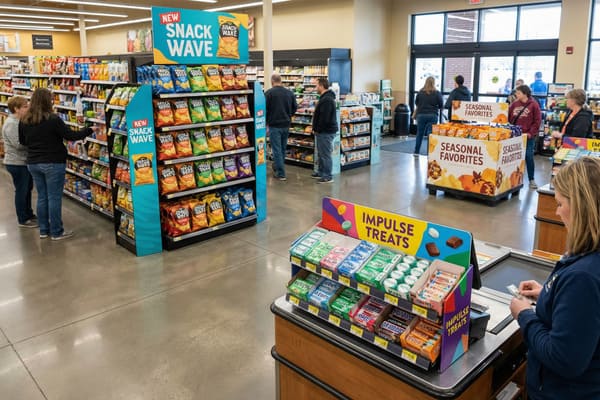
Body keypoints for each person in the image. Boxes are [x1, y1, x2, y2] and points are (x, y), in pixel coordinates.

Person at [510, 156, 600, 400]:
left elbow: (564, 358)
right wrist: (549, 294)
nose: (558, 212)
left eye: (560, 204)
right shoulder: (589, 256)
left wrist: (525, 315)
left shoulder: (583, 277)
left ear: (581, 207)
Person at [19, 88, 97, 241]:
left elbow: (23, 142)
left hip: (33, 163)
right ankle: (56, 232)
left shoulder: (24, 120)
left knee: (42, 197)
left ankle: (43, 230)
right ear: (47, 101)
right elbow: (70, 136)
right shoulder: (53, 119)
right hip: (53, 163)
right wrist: (89, 130)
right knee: (54, 198)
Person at [2, 96, 37, 228]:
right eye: (25, 107)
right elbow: (18, 145)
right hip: (16, 163)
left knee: (27, 189)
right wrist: (36, 143)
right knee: (21, 191)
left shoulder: (19, 121)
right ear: (16, 109)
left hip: (23, 161)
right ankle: (23, 219)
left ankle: (29, 214)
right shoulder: (11, 124)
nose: (27, 109)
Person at [508, 85, 542, 189]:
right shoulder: (514, 104)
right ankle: (512, 179)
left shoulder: (534, 105)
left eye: (518, 93)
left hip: (528, 136)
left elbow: (537, 121)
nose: (516, 95)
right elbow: (508, 118)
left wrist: (530, 133)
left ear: (525, 94)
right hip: (515, 136)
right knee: (513, 157)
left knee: (528, 156)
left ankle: (531, 179)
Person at [265, 73, 297, 181]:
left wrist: (267, 120)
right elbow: (294, 108)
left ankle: (281, 173)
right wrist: (288, 115)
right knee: (282, 148)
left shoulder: (268, 93)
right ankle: (279, 167)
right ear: (281, 81)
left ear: (272, 81)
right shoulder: (289, 93)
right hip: (286, 125)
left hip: (274, 125)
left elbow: (265, 109)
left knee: (276, 149)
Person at [311, 78, 338, 184]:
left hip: (325, 131)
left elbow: (325, 118)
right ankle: (321, 172)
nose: (315, 88)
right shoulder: (325, 98)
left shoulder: (326, 100)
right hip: (323, 131)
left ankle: (327, 176)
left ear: (322, 86)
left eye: (316, 85)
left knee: (325, 154)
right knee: (321, 153)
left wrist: (317, 129)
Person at [413, 76, 443, 156]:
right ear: (434, 83)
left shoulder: (420, 92)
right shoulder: (437, 93)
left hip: (421, 115)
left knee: (420, 133)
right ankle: (430, 153)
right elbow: (441, 104)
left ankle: (416, 152)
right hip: (433, 115)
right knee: (430, 134)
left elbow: (417, 103)